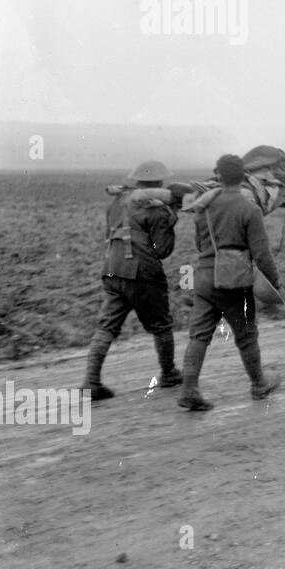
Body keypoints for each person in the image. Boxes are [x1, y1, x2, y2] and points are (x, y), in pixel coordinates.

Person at [178, 154, 282, 412]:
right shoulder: (250, 209)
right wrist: (275, 282)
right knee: (246, 335)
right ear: (244, 176)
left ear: (218, 176)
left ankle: (189, 389)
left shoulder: (203, 207)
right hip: (234, 280)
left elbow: (199, 245)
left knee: (199, 335)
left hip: (204, 278)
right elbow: (262, 254)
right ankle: (259, 384)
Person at [81, 160, 185, 400]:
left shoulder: (118, 200)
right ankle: (168, 373)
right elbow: (162, 250)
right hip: (142, 274)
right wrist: (172, 217)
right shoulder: (156, 208)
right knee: (161, 324)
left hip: (113, 268)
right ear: (159, 183)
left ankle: (91, 380)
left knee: (106, 326)